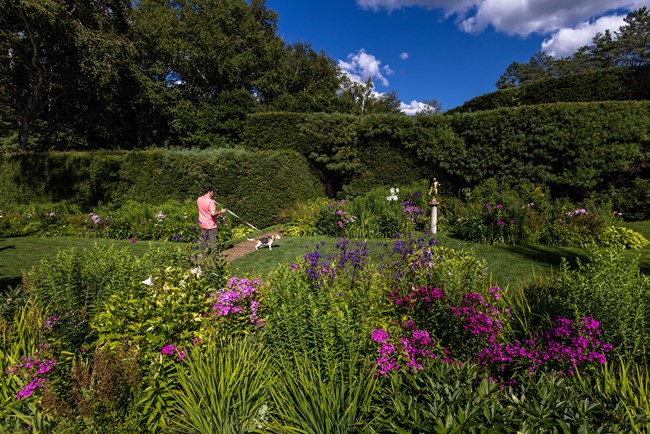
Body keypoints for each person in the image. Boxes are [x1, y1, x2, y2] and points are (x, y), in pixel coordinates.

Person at [197, 185, 227, 254]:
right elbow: (213, 213)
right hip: (210, 225)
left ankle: (204, 254)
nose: (213, 193)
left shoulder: (199, 199)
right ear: (209, 192)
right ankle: (213, 255)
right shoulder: (211, 202)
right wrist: (222, 212)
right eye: (212, 191)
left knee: (203, 239)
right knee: (212, 240)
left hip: (202, 223)